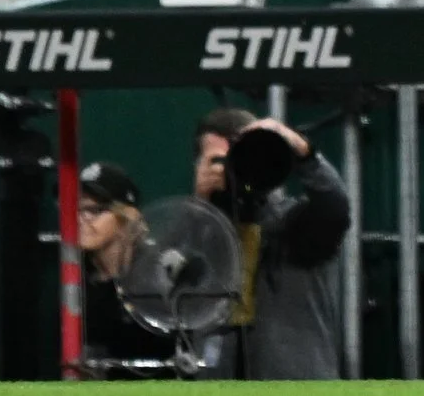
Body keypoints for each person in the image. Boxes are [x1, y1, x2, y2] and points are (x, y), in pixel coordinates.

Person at [190, 109, 349, 379]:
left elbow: (335, 209)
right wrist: (199, 207)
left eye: (240, 158)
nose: (231, 169)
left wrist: (304, 152)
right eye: (219, 160)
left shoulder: (294, 222)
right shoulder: (193, 229)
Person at [74, 162, 175, 369]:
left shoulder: (157, 278)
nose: (81, 218)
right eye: (76, 209)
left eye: (94, 209)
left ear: (126, 216)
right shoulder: (75, 283)